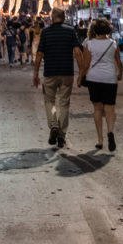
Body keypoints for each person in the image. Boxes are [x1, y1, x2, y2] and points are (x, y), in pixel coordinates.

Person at [33, 8, 83, 150]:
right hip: (67, 72)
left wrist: (35, 73)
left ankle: (54, 126)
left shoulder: (46, 32)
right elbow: (78, 52)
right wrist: (81, 72)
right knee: (64, 104)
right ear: (64, 17)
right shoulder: (71, 31)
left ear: (52, 17)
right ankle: (61, 135)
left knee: (50, 101)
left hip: (50, 73)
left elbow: (39, 54)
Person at [77, 19, 123, 151]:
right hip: (110, 78)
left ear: (95, 30)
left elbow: (85, 65)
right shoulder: (113, 44)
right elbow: (119, 62)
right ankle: (110, 132)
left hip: (94, 78)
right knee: (110, 108)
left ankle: (100, 140)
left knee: (97, 109)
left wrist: (80, 78)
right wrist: (120, 74)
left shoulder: (89, 44)